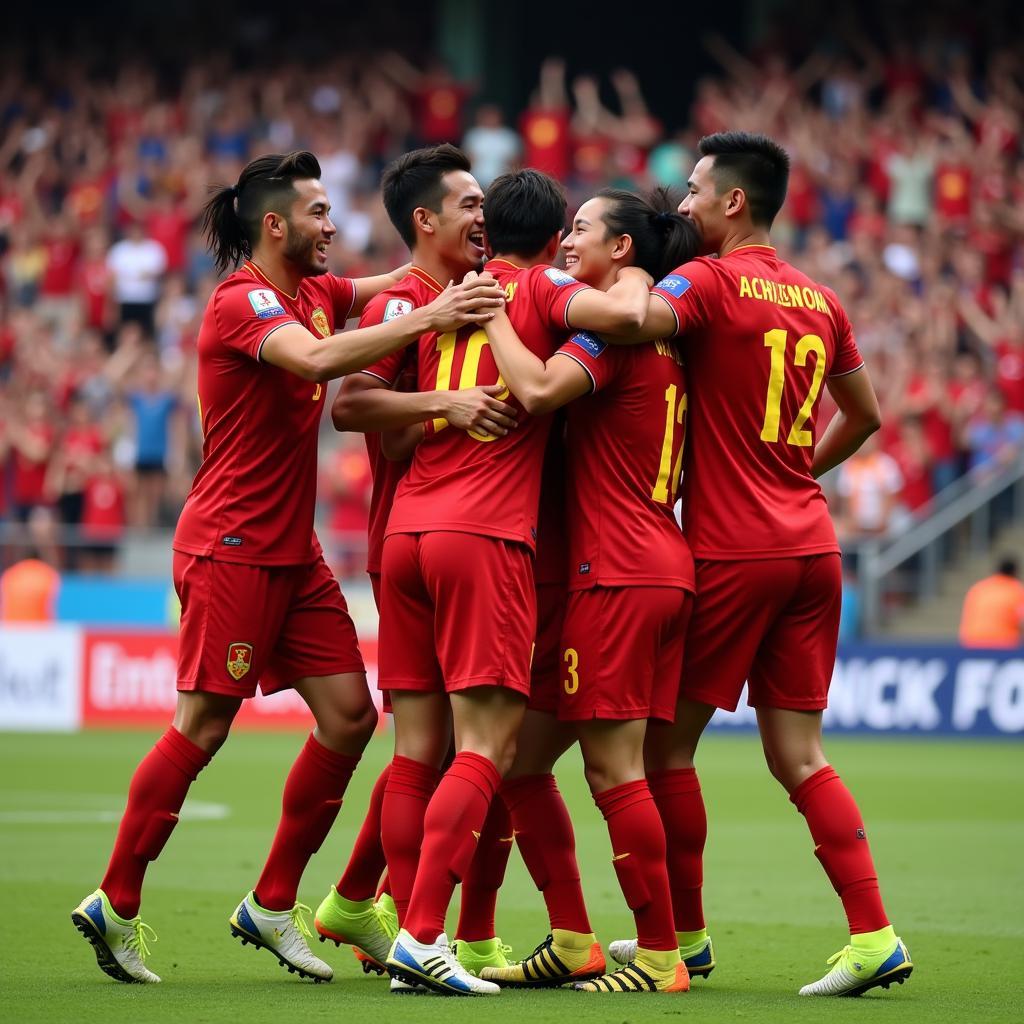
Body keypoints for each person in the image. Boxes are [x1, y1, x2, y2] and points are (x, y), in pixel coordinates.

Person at [70, 150, 504, 986]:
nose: (332, 226)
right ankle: (116, 902)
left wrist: (458, 281)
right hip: (230, 543)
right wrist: (429, 319)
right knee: (201, 727)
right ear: (276, 224)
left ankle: (272, 903)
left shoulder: (319, 291)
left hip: (291, 551)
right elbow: (313, 362)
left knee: (349, 718)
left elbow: (394, 284)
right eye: (317, 214)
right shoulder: (243, 303)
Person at [602, 132, 912, 998]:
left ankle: (687, 942)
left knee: (662, 753)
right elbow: (867, 414)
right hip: (812, 547)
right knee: (801, 755)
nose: (684, 204)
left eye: (696, 191)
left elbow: (630, 322)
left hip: (735, 552)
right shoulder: (820, 297)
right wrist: (794, 473)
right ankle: (873, 935)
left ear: (734, 202)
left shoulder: (702, 282)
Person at [370, 167, 653, 996]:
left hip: (405, 534)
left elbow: (376, 424)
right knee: (489, 748)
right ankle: (423, 937)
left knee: (417, 753)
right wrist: (634, 272)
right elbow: (626, 318)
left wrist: (445, 406)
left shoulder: (452, 296)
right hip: (484, 536)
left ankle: (398, 924)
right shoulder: (543, 289)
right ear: (560, 230)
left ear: (488, 225)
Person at [476, 188, 701, 994]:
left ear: (625, 251)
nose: (567, 242)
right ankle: (574, 937)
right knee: (518, 763)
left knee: (614, 773)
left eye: (582, 230)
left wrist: (489, 304)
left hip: (617, 576)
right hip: (654, 567)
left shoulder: (610, 341)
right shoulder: (664, 340)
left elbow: (535, 393)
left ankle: (662, 956)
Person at [316, 144, 520, 990]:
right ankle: (419, 926)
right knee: (448, 746)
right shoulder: (405, 299)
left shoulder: (474, 293)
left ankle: (382, 908)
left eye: (486, 204)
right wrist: (445, 402)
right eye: (467, 204)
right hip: (433, 538)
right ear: (424, 222)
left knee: (434, 750)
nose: (483, 216)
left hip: (435, 536)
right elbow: (352, 406)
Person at [959, 556, 1024, 647]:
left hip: (972, 641)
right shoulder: (1016, 589)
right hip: (1004, 643)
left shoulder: (979, 587)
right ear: (1015, 572)